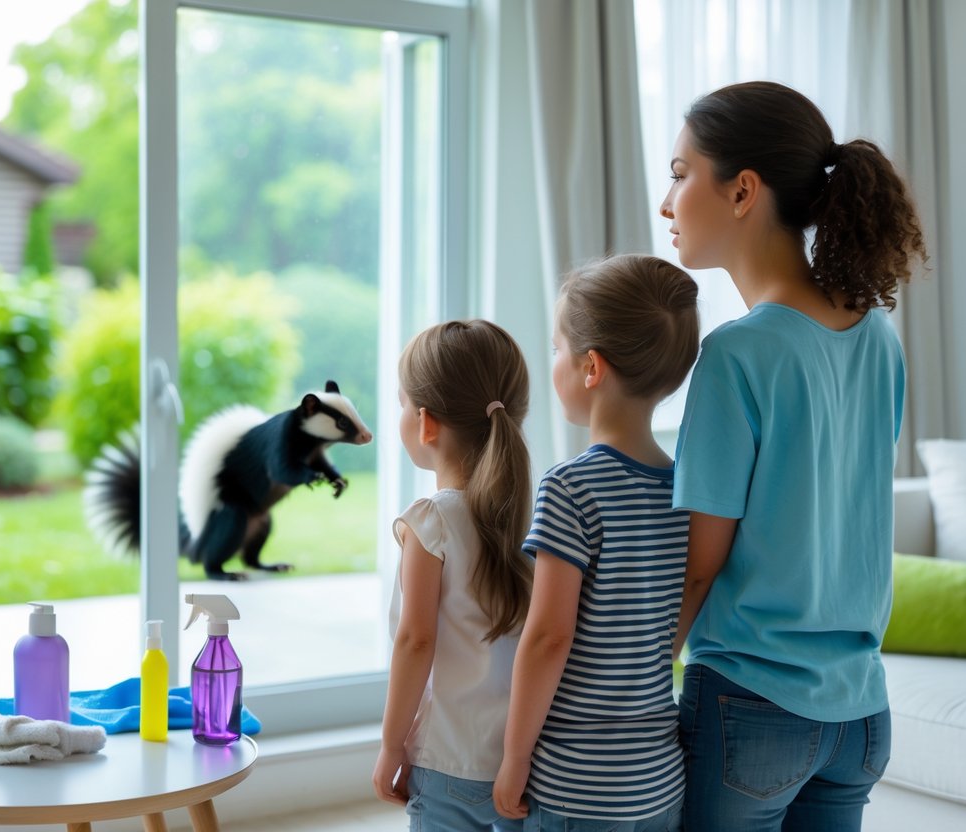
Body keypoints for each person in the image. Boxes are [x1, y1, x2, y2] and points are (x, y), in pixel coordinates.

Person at [659, 81, 927, 831]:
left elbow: (699, 563)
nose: (666, 201)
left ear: (742, 190)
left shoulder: (735, 355)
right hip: (861, 715)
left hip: (751, 705)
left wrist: (638, 677)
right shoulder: (876, 334)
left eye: (680, 174)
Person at [493, 254, 700, 831]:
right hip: (659, 781)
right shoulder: (688, 489)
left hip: (575, 784)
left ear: (590, 367)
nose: (551, 361)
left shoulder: (570, 485)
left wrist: (513, 758)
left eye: (557, 348)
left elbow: (548, 637)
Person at [373, 319, 535, 831]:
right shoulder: (533, 518)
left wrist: (390, 745)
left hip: (446, 760)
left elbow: (415, 642)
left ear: (426, 424)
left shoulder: (431, 521)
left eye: (402, 403)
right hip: (524, 761)